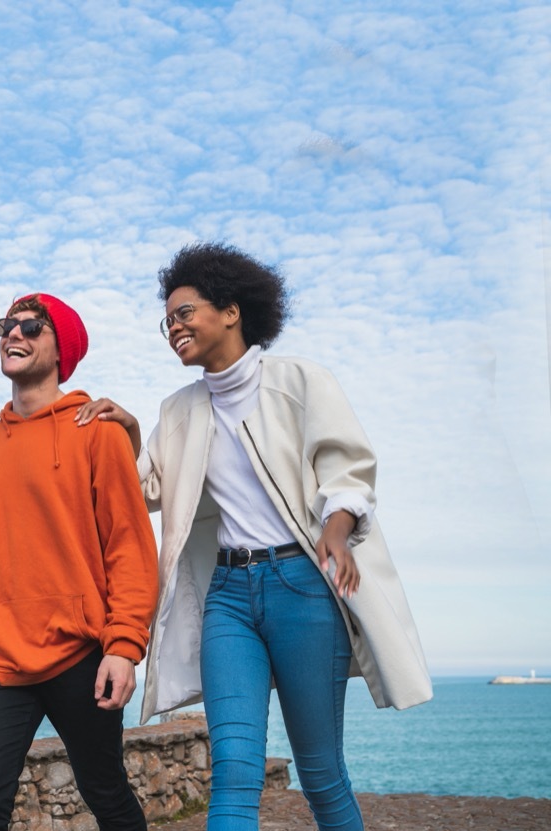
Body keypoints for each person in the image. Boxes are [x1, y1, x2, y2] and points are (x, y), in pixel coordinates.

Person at [77, 243, 432, 831]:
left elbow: (347, 470)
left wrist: (338, 530)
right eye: (167, 321)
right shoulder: (179, 410)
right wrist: (131, 433)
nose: (174, 328)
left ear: (231, 311)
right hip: (228, 598)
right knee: (234, 773)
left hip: (302, 588)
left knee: (321, 774)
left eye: (184, 313)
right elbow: (146, 491)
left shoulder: (299, 380)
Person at [0, 292, 160, 831]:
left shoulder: (98, 431)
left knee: (106, 793)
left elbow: (129, 546)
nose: (13, 333)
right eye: (7, 325)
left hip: (82, 650)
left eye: (31, 327)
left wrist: (124, 646)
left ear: (61, 349)